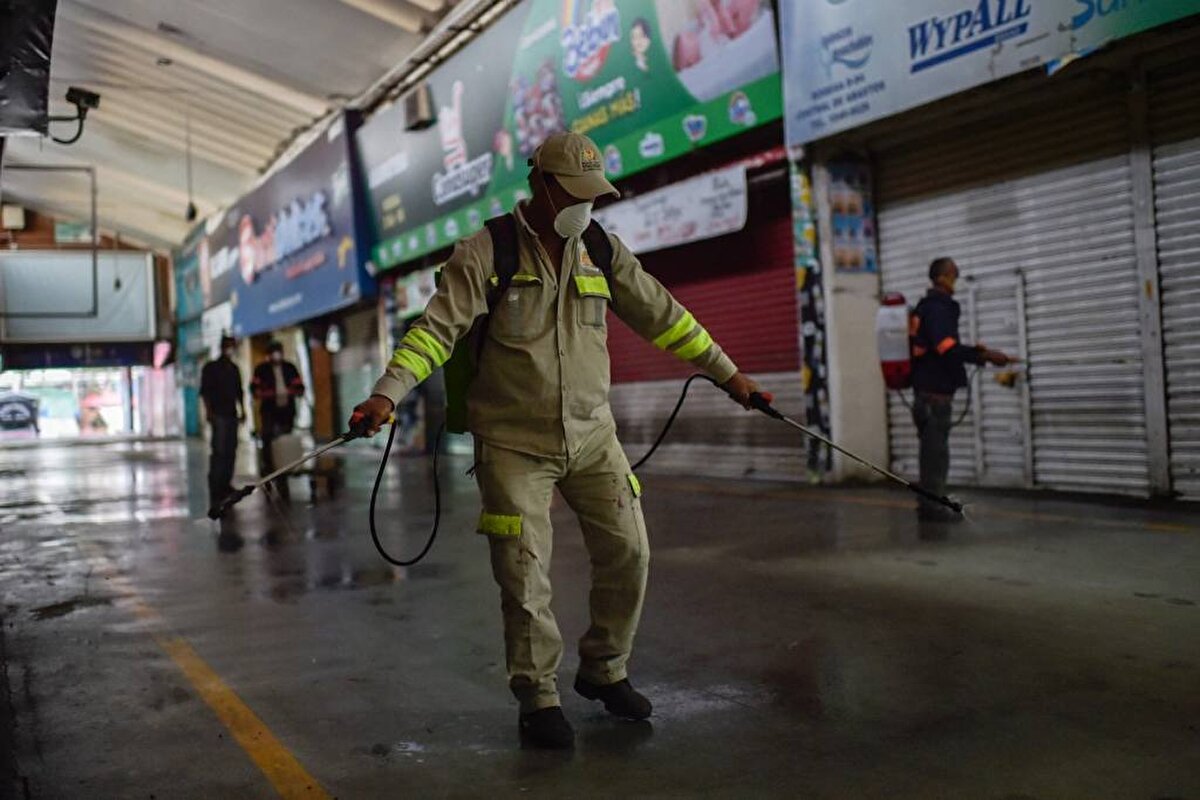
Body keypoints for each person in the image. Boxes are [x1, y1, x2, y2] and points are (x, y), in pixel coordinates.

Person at [352, 131, 768, 749]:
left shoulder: (600, 248)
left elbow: (665, 315)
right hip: (513, 443)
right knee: (524, 574)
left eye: (592, 194)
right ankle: (538, 695)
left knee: (630, 551)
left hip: (594, 436)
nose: (584, 205)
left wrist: (730, 375)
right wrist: (387, 393)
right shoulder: (486, 251)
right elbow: (436, 331)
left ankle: (604, 669)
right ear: (541, 185)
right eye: (574, 193)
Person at [910, 258, 1016, 522]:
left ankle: (929, 504)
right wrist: (985, 356)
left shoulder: (926, 307)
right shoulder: (938, 307)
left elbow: (940, 346)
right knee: (936, 455)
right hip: (934, 398)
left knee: (932, 454)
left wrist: (975, 353)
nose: (955, 278)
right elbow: (945, 347)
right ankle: (933, 507)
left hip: (927, 394)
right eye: (954, 273)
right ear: (944, 276)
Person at [199, 335, 245, 507]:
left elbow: (239, 392)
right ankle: (216, 487)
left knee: (231, 450)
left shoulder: (234, 369)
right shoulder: (211, 368)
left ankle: (226, 483)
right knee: (219, 451)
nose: (231, 350)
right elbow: (205, 392)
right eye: (229, 346)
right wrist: (209, 412)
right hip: (218, 414)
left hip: (231, 414)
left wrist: (243, 411)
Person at [250, 340, 304, 477]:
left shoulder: (289, 367)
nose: (276, 355)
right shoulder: (261, 369)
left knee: (285, 437)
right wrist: (266, 393)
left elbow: (299, 386)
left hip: (287, 409)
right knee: (268, 437)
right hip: (269, 410)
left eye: (278, 352)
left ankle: (286, 464)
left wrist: (293, 391)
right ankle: (269, 466)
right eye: (273, 352)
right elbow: (254, 389)